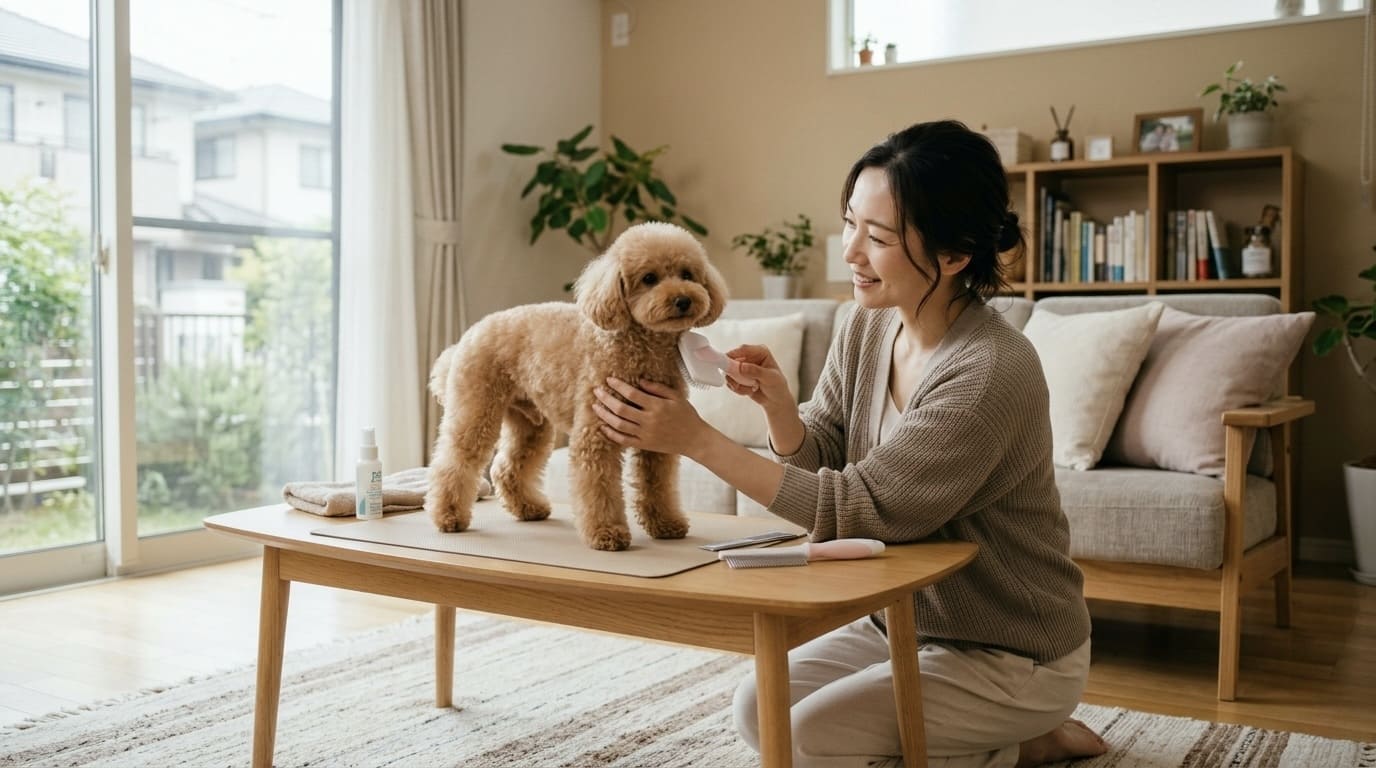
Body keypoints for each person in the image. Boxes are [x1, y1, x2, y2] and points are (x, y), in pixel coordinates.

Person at [590, 120, 1108, 768]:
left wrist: (698, 440)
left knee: (811, 738)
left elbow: (861, 508)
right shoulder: (869, 323)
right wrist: (783, 411)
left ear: (954, 254)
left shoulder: (988, 373)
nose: (851, 253)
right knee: (759, 711)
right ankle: (1000, 741)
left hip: (1010, 647)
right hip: (901, 621)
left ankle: (1024, 732)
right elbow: (828, 446)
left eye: (879, 237)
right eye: (850, 224)